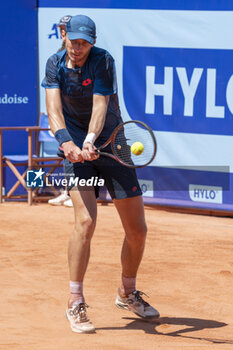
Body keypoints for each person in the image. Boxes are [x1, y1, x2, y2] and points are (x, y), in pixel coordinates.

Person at [42, 14, 160, 334]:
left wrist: (91, 141)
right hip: (76, 155)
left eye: (84, 43)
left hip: (112, 148)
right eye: (73, 41)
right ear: (64, 35)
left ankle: (127, 292)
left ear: (91, 42)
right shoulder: (54, 64)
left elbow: (100, 106)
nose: (78, 48)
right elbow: (53, 109)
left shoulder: (103, 61)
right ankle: (75, 301)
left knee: (137, 230)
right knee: (86, 221)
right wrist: (66, 142)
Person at [48, 15, 73, 208]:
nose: (62, 31)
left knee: (77, 154)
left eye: (65, 28)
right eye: (61, 28)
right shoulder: (57, 56)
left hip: (77, 116)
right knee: (67, 153)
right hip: (64, 116)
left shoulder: (82, 56)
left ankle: (77, 194)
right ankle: (67, 192)